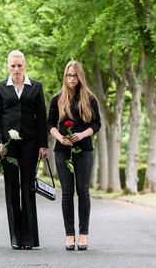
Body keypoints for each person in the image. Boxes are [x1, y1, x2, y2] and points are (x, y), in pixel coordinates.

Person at [0, 50, 48, 250]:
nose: (16, 69)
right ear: (8, 66)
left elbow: (42, 117)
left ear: (25, 65)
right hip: (8, 145)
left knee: (28, 187)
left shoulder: (36, 87)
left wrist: (43, 144)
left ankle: (30, 237)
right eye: (13, 66)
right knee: (12, 187)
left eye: (19, 65)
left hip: (30, 143)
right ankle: (16, 237)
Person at [47, 61, 101, 251]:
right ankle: (70, 235)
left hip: (84, 149)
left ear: (80, 77)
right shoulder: (57, 99)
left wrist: (83, 134)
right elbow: (50, 124)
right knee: (67, 193)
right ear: (65, 76)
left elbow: (97, 124)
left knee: (83, 191)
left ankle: (83, 235)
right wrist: (60, 137)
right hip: (62, 150)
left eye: (75, 76)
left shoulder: (90, 99)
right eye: (68, 75)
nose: (71, 79)